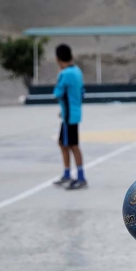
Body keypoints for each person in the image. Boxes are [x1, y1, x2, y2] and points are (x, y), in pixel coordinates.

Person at [52, 44, 87, 190]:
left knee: (72, 145)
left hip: (69, 116)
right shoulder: (77, 71)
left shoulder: (65, 73)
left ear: (58, 58)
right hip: (74, 112)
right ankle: (67, 173)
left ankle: (80, 177)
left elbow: (58, 93)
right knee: (63, 143)